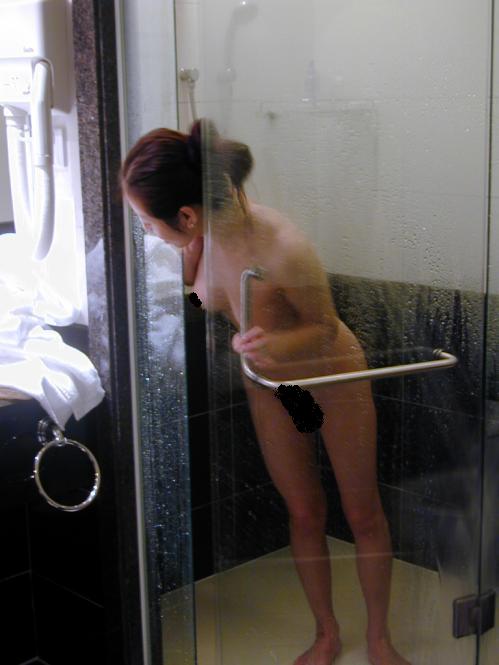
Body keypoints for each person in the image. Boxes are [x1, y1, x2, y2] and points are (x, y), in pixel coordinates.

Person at [121, 119, 411, 665]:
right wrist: (193, 281)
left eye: (146, 221)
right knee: (304, 512)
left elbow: (323, 326)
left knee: (362, 513)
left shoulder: (282, 246)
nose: (147, 232)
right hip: (273, 386)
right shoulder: (199, 238)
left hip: (331, 377)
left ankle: (380, 639)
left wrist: (277, 343)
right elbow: (199, 295)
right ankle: (326, 633)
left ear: (186, 213)